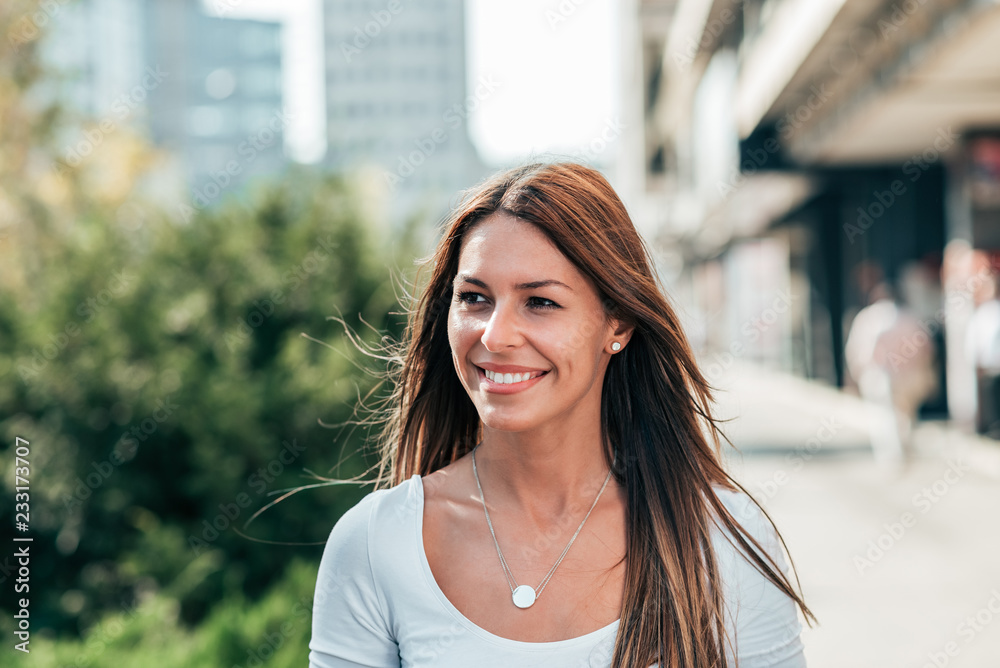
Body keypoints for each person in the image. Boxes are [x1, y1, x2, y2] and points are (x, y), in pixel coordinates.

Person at [308, 162, 815, 667]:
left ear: (616, 323)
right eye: (475, 298)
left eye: (540, 302)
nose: (495, 335)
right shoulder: (376, 545)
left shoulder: (720, 540)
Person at [844, 280, 937, 471]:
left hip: (881, 375)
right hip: (910, 374)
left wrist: (855, 374)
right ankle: (904, 448)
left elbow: (860, 351)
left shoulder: (869, 318)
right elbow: (927, 347)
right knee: (907, 413)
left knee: (885, 416)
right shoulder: (910, 316)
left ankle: (894, 456)